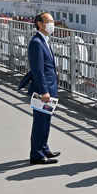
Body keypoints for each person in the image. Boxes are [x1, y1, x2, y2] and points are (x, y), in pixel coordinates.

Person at [18, 11, 60, 164]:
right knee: (40, 122)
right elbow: (38, 70)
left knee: (46, 120)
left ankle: (44, 147)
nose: (52, 23)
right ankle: (36, 155)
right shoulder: (36, 42)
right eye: (49, 21)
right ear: (40, 24)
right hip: (44, 90)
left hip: (50, 88)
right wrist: (44, 91)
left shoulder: (45, 40)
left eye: (52, 20)